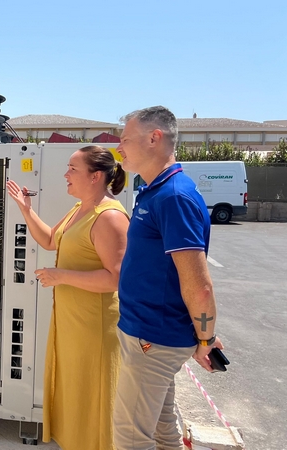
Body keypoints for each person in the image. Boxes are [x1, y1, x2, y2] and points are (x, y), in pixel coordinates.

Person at [114, 106, 224, 450]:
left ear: (153, 138)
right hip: (146, 334)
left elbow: (199, 285)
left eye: (125, 140)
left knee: (131, 438)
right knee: (163, 430)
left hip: (153, 339)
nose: (119, 148)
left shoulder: (174, 196)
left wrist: (206, 340)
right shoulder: (154, 191)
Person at [7, 145, 129, 450]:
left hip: (94, 330)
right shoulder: (80, 209)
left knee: (94, 400)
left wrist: (61, 276)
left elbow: (116, 278)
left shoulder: (110, 217)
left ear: (95, 176)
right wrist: (26, 209)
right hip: (72, 323)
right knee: (75, 396)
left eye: (73, 169)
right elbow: (50, 239)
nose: (66, 174)